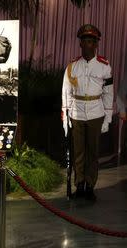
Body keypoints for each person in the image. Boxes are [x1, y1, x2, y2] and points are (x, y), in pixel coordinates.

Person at [62, 24, 113, 201]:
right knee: (78, 152)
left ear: (96, 44)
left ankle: (90, 186)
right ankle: (80, 185)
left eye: (91, 41)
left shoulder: (104, 67)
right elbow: (66, 93)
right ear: (80, 44)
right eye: (84, 41)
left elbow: (108, 93)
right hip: (76, 114)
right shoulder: (72, 67)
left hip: (95, 114)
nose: (88, 44)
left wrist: (107, 118)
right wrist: (65, 116)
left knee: (92, 152)